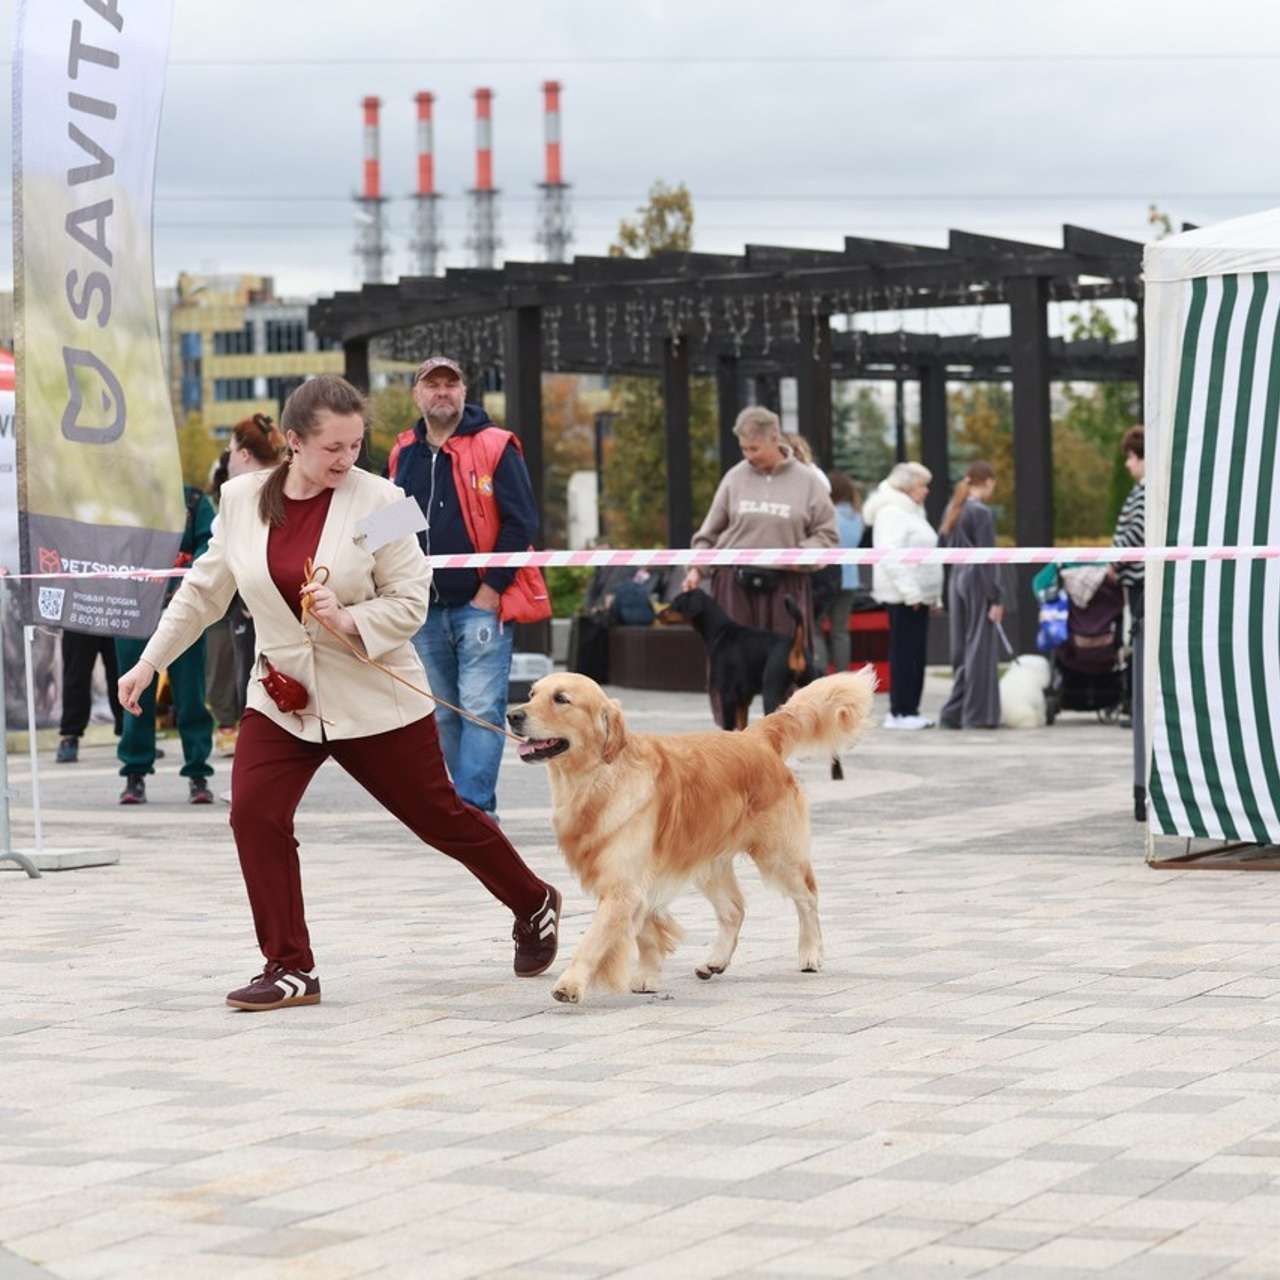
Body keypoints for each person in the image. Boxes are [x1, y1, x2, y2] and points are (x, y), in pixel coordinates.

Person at [117, 374, 562, 1012]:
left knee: (440, 818)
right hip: (282, 697)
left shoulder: (387, 498)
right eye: (333, 448)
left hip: (373, 693)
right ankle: (290, 967)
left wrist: (350, 617)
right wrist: (149, 663)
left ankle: (534, 900)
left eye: (356, 445)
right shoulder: (239, 497)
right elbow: (203, 593)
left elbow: (412, 602)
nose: (347, 460)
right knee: (253, 815)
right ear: (293, 442)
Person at [388, 354, 550, 817]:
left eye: (450, 384)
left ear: (464, 392)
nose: (442, 392)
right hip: (422, 606)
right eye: (431, 385)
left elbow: (521, 522)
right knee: (440, 712)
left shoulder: (496, 446)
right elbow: (396, 521)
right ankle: (462, 808)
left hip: (480, 605)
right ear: (417, 394)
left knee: (480, 709)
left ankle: (474, 812)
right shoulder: (404, 453)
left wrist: (492, 589)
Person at [680, 406, 837, 725]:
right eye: (743, 448)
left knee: (788, 670)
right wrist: (696, 569)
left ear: (775, 439)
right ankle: (734, 746)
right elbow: (708, 533)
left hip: (786, 587)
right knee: (729, 671)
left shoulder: (808, 481)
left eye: (755, 448)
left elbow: (828, 536)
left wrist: (797, 556)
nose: (748, 455)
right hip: (734, 587)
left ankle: (784, 741)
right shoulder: (734, 478)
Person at [114, 483, 217, 804]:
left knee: (191, 695)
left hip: (181, 610)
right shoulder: (126, 499)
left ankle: (198, 772)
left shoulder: (195, 501)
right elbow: (111, 546)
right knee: (134, 694)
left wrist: (185, 580)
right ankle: (135, 772)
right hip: (135, 610)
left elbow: (211, 546)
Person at [862, 461, 944, 729]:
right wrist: (912, 594)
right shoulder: (893, 512)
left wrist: (931, 596)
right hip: (904, 598)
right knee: (905, 653)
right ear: (908, 486)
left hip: (919, 597)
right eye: (923, 485)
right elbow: (892, 556)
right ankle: (900, 711)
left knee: (916, 653)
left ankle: (911, 709)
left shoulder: (913, 511)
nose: (927, 491)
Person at [938, 461, 1004, 730]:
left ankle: (953, 711)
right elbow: (987, 558)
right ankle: (978, 715)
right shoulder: (981, 513)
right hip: (977, 579)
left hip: (957, 578)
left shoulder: (954, 508)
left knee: (962, 648)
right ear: (987, 482)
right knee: (980, 648)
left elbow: (942, 545)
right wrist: (996, 598)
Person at [1112, 425, 1146, 821]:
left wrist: (1114, 559)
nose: (1126, 463)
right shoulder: (1140, 491)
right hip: (1133, 580)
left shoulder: (1144, 493)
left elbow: (1135, 534)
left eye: (1131, 456)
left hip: (1138, 582)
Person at [814, 471, 863, 674]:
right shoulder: (857, 516)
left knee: (815, 629)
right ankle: (843, 675)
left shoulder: (828, 515)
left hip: (825, 576)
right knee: (841, 631)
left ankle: (819, 675)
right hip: (850, 578)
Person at [54, 629, 123, 763]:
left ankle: (134, 737)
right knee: (76, 673)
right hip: (79, 614)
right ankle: (70, 736)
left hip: (117, 613)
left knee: (122, 671)